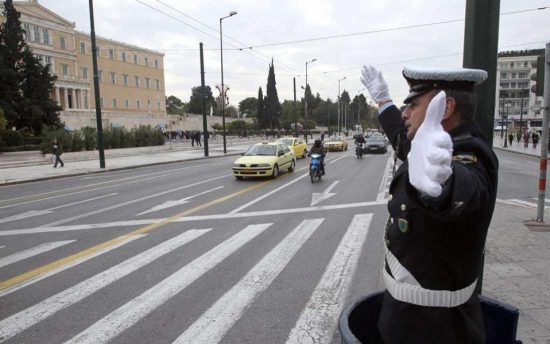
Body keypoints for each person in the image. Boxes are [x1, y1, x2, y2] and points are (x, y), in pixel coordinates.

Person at [360, 65, 499, 344]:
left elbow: (462, 188)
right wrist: (383, 101)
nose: (405, 113)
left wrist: (440, 187)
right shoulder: (431, 145)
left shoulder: (466, 155)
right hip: (410, 317)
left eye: (413, 104)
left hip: (435, 329)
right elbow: (402, 140)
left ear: (445, 109)